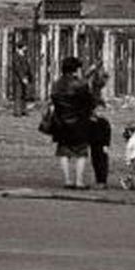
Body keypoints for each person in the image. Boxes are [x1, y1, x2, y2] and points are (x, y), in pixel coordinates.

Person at [50, 55, 95, 189]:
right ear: (76, 69)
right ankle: (79, 181)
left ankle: (67, 180)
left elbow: (54, 99)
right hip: (78, 121)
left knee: (64, 151)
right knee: (81, 152)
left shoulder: (57, 84)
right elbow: (89, 102)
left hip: (61, 121)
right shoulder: (80, 84)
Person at [10, 42, 33, 117]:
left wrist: (29, 76)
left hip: (25, 77)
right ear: (22, 47)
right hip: (18, 79)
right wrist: (22, 77)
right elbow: (18, 68)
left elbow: (27, 66)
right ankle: (17, 112)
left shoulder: (24, 55)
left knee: (24, 95)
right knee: (18, 95)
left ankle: (23, 110)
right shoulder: (16, 56)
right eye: (25, 46)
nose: (26, 48)